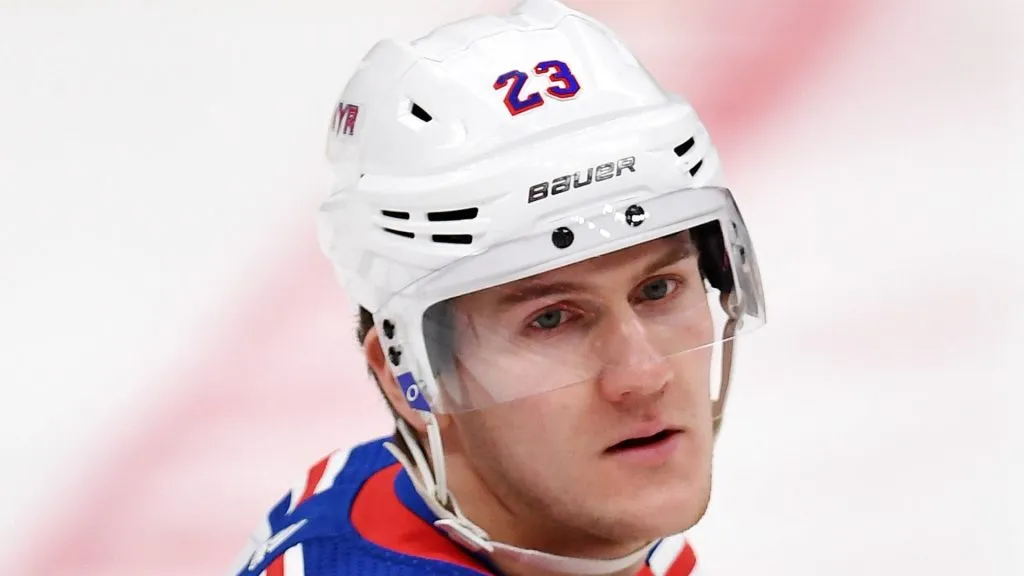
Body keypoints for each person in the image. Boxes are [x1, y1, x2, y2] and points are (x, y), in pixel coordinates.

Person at [229, 0, 766, 574]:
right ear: (409, 373)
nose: (643, 375)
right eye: (552, 319)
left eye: (658, 290)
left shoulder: (557, 526)